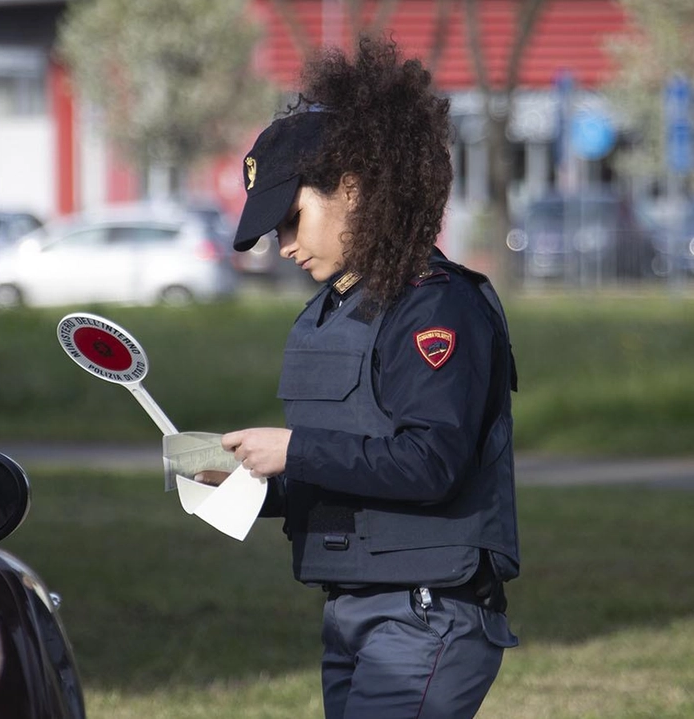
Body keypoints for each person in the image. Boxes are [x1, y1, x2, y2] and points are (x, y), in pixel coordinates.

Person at [216, 36, 521, 719]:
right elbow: (351, 464)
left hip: (424, 615)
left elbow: (430, 461)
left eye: (291, 219)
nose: (284, 245)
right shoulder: (335, 312)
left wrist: (293, 449)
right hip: (356, 610)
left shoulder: (436, 306)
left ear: (351, 188)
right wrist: (248, 484)